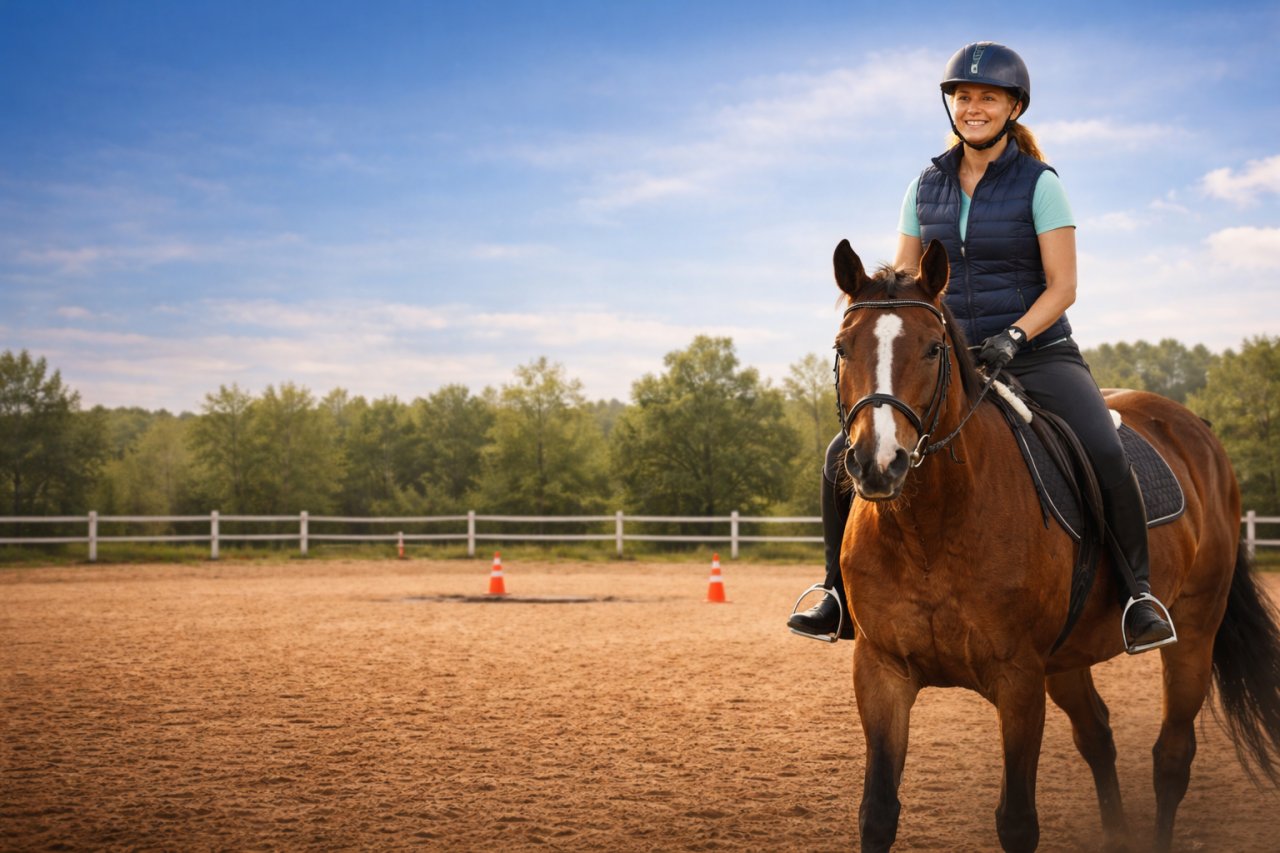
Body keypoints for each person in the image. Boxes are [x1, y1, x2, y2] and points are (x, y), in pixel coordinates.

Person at [787, 41, 1175, 654]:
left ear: (1013, 107)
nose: (973, 107)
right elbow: (907, 280)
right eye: (963, 97)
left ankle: (1137, 596)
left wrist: (1015, 335)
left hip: (1038, 352)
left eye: (988, 98)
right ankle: (836, 593)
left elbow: (1064, 286)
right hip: (945, 358)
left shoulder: (1040, 183)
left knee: (1102, 445)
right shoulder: (924, 186)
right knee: (844, 448)